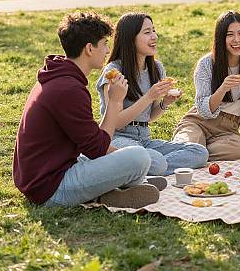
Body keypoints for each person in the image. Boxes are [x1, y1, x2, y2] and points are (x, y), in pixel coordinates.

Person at [13, 12, 161, 209]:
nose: (108, 50)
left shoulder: (58, 76)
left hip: (51, 172)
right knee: (140, 157)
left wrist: (119, 158)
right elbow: (97, 149)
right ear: (89, 49)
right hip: (51, 188)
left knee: (133, 157)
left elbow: (89, 142)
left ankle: (118, 189)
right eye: (104, 44)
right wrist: (115, 102)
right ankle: (117, 188)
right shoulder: (68, 89)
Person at [96, 12, 209, 176]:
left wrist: (165, 102)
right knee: (156, 161)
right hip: (118, 139)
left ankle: (141, 169)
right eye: (147, 32)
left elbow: (148, 117)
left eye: (154, 30)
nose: (154, 36)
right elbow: (116, 123)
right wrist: (149, 96)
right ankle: (145, 166)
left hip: (145, 139)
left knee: (199, 152)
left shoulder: (156, 68)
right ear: (130, 38)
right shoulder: (114, 72)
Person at [173, 10, 240, 160]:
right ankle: (192, 149)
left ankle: (197, 153)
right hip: (199, 122)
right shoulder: (206, 64)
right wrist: (223, 88)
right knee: (187, 143)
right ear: (220, 37)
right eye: (230, 35)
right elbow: (204, 111)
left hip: (228, 131)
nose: (237, 40)